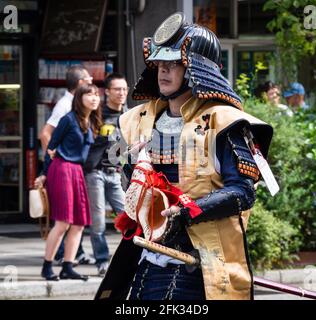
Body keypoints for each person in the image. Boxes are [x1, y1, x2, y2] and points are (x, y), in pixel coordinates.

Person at [95, 12, 273, 300]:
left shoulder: (225, 122)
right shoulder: (137, 120)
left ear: (196, 69)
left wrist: (187, 212)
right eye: (160, 63)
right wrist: (131, 167)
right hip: (146, 258)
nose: (163, 71)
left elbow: (243, 192)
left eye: (174, 64)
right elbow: (127, 183)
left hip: (200, 265)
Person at [34, 84, 102, 281]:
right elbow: (51, 147)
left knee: (79, 223)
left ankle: (68, 266)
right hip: (62, 168)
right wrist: (45, 173)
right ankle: (47, 266)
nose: (94, 97)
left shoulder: (91, 122)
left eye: (97, 94)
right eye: (89, 94)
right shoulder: (68, 119)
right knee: (63, 222)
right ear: (79, 98)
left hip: (78, 172)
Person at [83, 73, 128, 276]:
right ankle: (102, 261)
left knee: (128, 217)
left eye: (124, 89)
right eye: (117, 89)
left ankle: (128, 258)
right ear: (107, 91)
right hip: (95, 173)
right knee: (98, 220)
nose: (121, 93)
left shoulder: (129, 116)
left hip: (116, 173)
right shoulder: (97, 114)